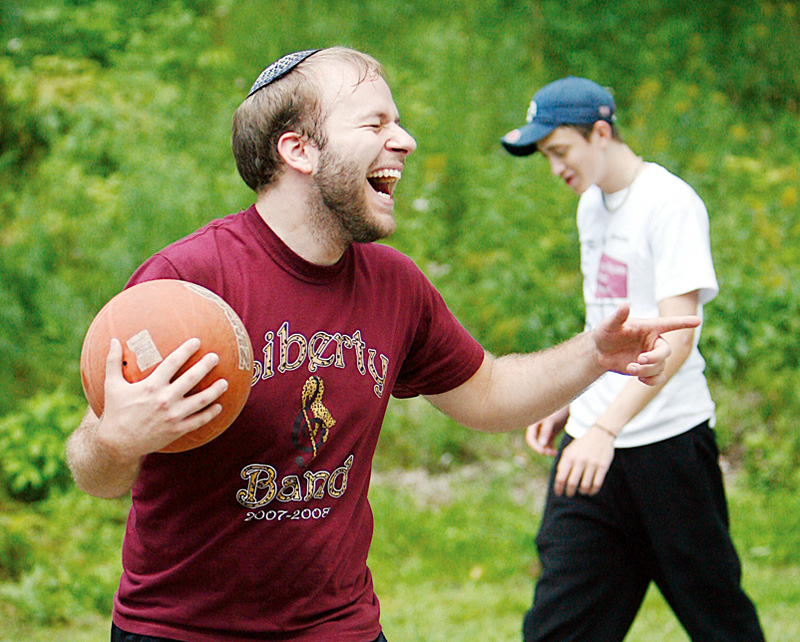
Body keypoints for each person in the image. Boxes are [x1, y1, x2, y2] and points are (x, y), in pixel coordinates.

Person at [66, 49, 698, 642]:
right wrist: (117, 438)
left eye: (398, 121)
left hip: (338, 625)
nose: (405, 139)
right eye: (375, 122)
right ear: (299, 149)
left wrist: (594, 354)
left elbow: (491, 395)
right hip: (179, 629)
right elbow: (94, 470)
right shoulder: (187, 285)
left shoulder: (394, 286)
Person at [501, 76, 765, 642]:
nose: (555, 169)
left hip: (668, 448)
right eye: (546, 157)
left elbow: (680, 337)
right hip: (592, 443)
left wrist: (607, 427)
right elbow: (607, 323)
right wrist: (572, 395)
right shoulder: (592, 208)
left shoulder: (669, 205)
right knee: (557, 625)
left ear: (600, 133)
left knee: (718, 618)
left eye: (559, 151)